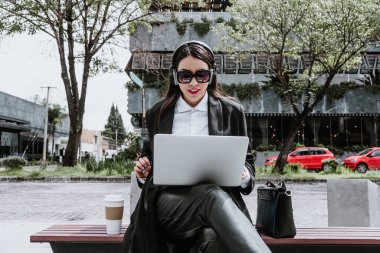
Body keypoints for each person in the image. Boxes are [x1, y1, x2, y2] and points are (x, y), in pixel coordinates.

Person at [124, 40, 271, 253]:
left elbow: (247, 164)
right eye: (186, 75)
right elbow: (149, 159)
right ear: (175, 77)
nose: (194, 83)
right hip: (168, 206)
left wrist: (244, 174)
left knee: (213, 238)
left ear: (211, 76)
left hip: (219, 207)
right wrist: (143, 172)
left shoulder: (232, 111)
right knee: (210, 195)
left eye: (201, 75)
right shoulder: (159, 113)